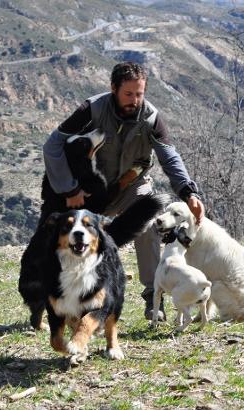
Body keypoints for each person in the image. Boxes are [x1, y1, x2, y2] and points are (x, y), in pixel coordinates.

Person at [42, 61, 204, 321]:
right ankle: (69, 302)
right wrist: (69, 188)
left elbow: (170, 158)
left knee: (150, 222)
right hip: (91, 192)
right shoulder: (91, 109)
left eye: (140, 94)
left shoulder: (151, 117)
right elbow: (53, 145)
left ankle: (154, 297)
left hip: (132, 185)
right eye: (128, 94)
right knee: (72, 238)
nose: (135, 100)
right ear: (113, 89)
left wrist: (189, 192)